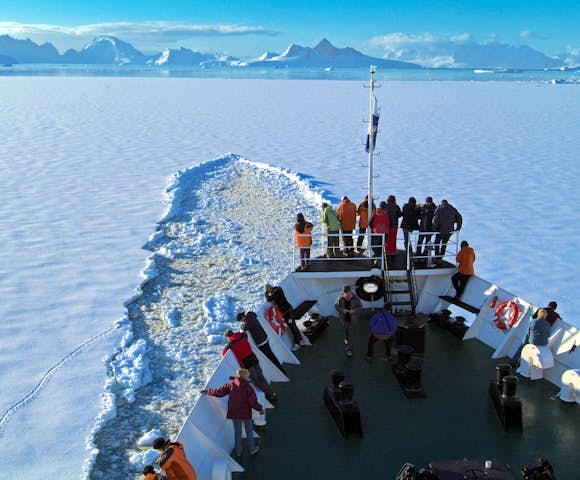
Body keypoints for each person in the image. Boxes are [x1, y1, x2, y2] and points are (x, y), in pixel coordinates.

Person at [201, 369, 263, 458]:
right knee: (249, 430)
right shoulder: (248, 388)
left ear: (237, 376)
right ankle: (252, 449)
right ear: (246, 377)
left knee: (237, 432)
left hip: (234, 412)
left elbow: (220, 391)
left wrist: (208, 391)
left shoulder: (231, 384)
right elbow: (253, 402)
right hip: (245, 413)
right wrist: (260, 409)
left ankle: (238, 452)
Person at [223, 329, 278, 402]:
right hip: (254, 359)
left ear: (228, 337)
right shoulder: (242, 336)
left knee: (257, 381)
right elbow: (244, 333)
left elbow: (224, 353)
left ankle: (271, 395)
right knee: (261, 377)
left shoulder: (231, 345)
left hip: (247, 364)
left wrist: (229, 343)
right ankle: (271, 393)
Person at [264, 283, 304, 350]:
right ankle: (300, 340)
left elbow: (269, 299)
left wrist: (266, 293)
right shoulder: (278, 288)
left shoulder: (275, 293)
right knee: (293, 326)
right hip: (288, 309)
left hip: (287, 312)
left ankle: (297, 343)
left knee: (292, 327)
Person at [335, 285, 363, 357]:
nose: (347, 295)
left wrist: (353, 311)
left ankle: (349, 350)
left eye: (348, 293)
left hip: (352, 320)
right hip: (343, 320)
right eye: (345, 294)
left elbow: (360, 308)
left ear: (350, 291)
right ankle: (346, 339)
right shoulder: (340, 298)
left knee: (351, 335)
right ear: (343, 292)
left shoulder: (356, 299)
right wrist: (342, 310)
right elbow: (336, 306)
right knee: (345, 332)